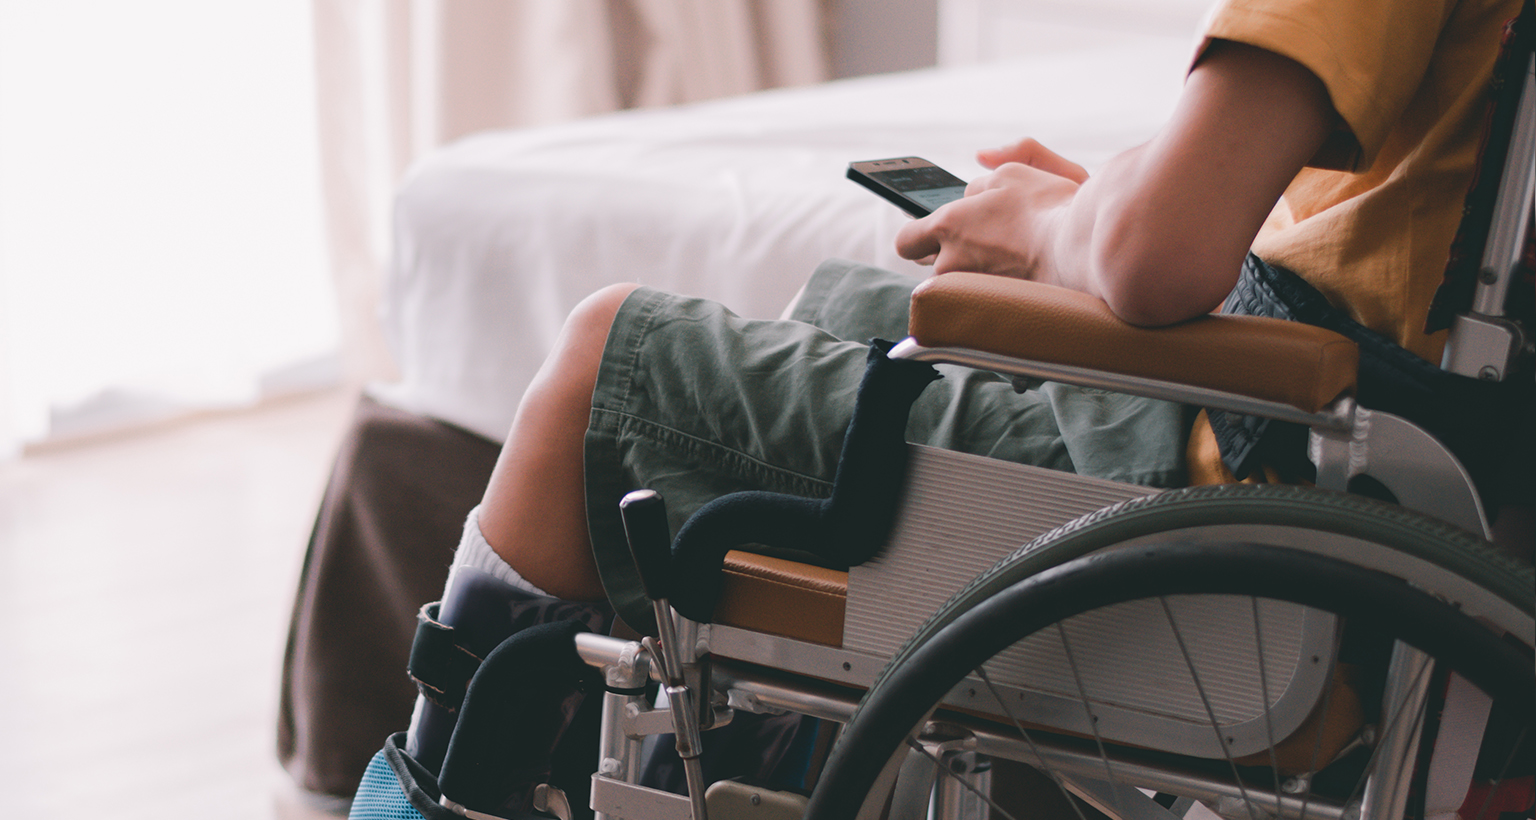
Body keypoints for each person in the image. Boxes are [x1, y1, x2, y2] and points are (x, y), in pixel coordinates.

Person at [400, 0, 1533, 775]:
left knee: (607, 368)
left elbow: (1158, 257)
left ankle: (430, 786)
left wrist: (1064, 228)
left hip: (1263, 502)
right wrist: (1094, 215)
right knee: (849, 309)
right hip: (1391, 494)